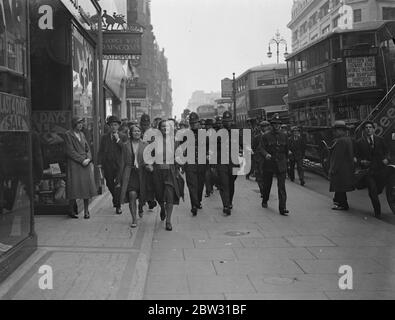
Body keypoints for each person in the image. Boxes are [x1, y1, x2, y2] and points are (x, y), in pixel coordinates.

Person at [153, 120, 184, 231]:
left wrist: (179, 167)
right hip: (158, 171)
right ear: (159, 128)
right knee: (159, 195)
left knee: (170, 195)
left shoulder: (175, 141)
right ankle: (162, 207)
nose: (165, 128)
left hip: (170, 171)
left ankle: (168, 221)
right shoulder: (154, 141)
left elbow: (179, 155)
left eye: (167, 127)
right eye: (162, 126)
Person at [64, 117, 97, 219]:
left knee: (86, 187)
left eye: (81, 123)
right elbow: (70, 151)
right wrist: (81, 160)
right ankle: (71, 209)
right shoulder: (68, 134)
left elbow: (87, 148)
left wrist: (89, 158)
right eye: (78, 123)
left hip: (85, 163)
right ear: (74, 124)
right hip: (75, 164)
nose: (81, 125)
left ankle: (86, 211)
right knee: (74, 186)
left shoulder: (82, 134)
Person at [355, 121, 389, 218]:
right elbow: (356, 157)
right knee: (373, 191)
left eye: (370, 127)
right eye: (366, 127)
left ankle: (376, 192)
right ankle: (377, 212)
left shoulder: (380, 140)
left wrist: (387, 159)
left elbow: (387, 151)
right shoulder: (359, 142)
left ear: (374, 129)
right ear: (364, 130)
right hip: (368, 171)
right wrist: (361, 162)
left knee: (378, 189)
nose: (368, 129)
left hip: (381, 170)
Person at [118, 125, 150, 228]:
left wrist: (149, 166)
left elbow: (149, 159)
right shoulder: (125, 145)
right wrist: (119, 178)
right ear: (131, 133)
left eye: (138, 131)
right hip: (130, 173)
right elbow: (122, 161)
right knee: (132, 195)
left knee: (141, 195)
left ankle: (140, 206)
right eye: (134, 131)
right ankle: (134, 218)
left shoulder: (145, 145)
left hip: (142, 173)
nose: (137, 133)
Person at [258, 118, 289, 216]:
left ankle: (282, 207)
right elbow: (261, 148)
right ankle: (265, 199)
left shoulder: (284, 136)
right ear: (271, 125)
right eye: (274, 124)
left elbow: (287, 149)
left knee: (281, 187)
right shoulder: (266, 136)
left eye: (278, 124)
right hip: (269, 163)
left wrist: (287, 159)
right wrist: (266, 154)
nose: (276, 126)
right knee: (267, 185)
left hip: (281, 164)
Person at [98, 116, 123, 215]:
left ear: (118, 126)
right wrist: (99, 163)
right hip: (107, 164)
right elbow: (100, 151)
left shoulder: (123, 136)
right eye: (111, 125)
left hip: (119, 165)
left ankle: (118, 206)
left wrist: (118, 140)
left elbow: (125, 149)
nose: (113, 127)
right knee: (109, 184)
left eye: (115, 125)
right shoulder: (104, 137)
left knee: (118, 184)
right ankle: (115, 198)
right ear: (109, 126)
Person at [328, 121, 355, 211]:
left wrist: (332, 169)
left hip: (341, 169)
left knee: (339, 187)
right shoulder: (347, 139)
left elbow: (337, 157)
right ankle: (340, 203)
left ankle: (343, 204)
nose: (334, 133)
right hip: (345, 168)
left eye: (335, 131)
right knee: (341, 188)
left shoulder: (341, 141)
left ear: (340, 131)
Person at [217, 111, 239, 216]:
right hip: (222, 162)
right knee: (224, 184)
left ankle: (229, 201)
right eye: (225, 121)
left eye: (229, 121)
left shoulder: (236, 132)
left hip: (233, 162)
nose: (227, 123)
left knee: (231, 184)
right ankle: (225, 205)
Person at [184, 112, 207, 216]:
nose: (193, 125)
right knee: (192, 185)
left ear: (199, 123)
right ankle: (194, 205)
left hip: (202, 163)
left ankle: (198, 201)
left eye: (195, 123)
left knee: (200, 184)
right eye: (191, 123)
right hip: (190, 163)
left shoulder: (204, 134)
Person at [139, 114, 157, 212]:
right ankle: (143, 202)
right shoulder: (137, 132)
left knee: (151, 182)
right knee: (142, 183)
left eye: (147, 124)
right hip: (140, 161)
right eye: (143, 124)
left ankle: (150, 200)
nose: (145, 126)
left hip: (150, 161)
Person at [254, 120, 271, 198]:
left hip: (268, 159)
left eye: (266, 126)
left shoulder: (271, 136)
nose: (265, 128)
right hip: (259, 159)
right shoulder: (257, 137)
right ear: (261, 128)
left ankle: (266, 190)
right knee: (260, 176)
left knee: (267, 176)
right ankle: (262, 191)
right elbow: (254, 147)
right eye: (263, 127)